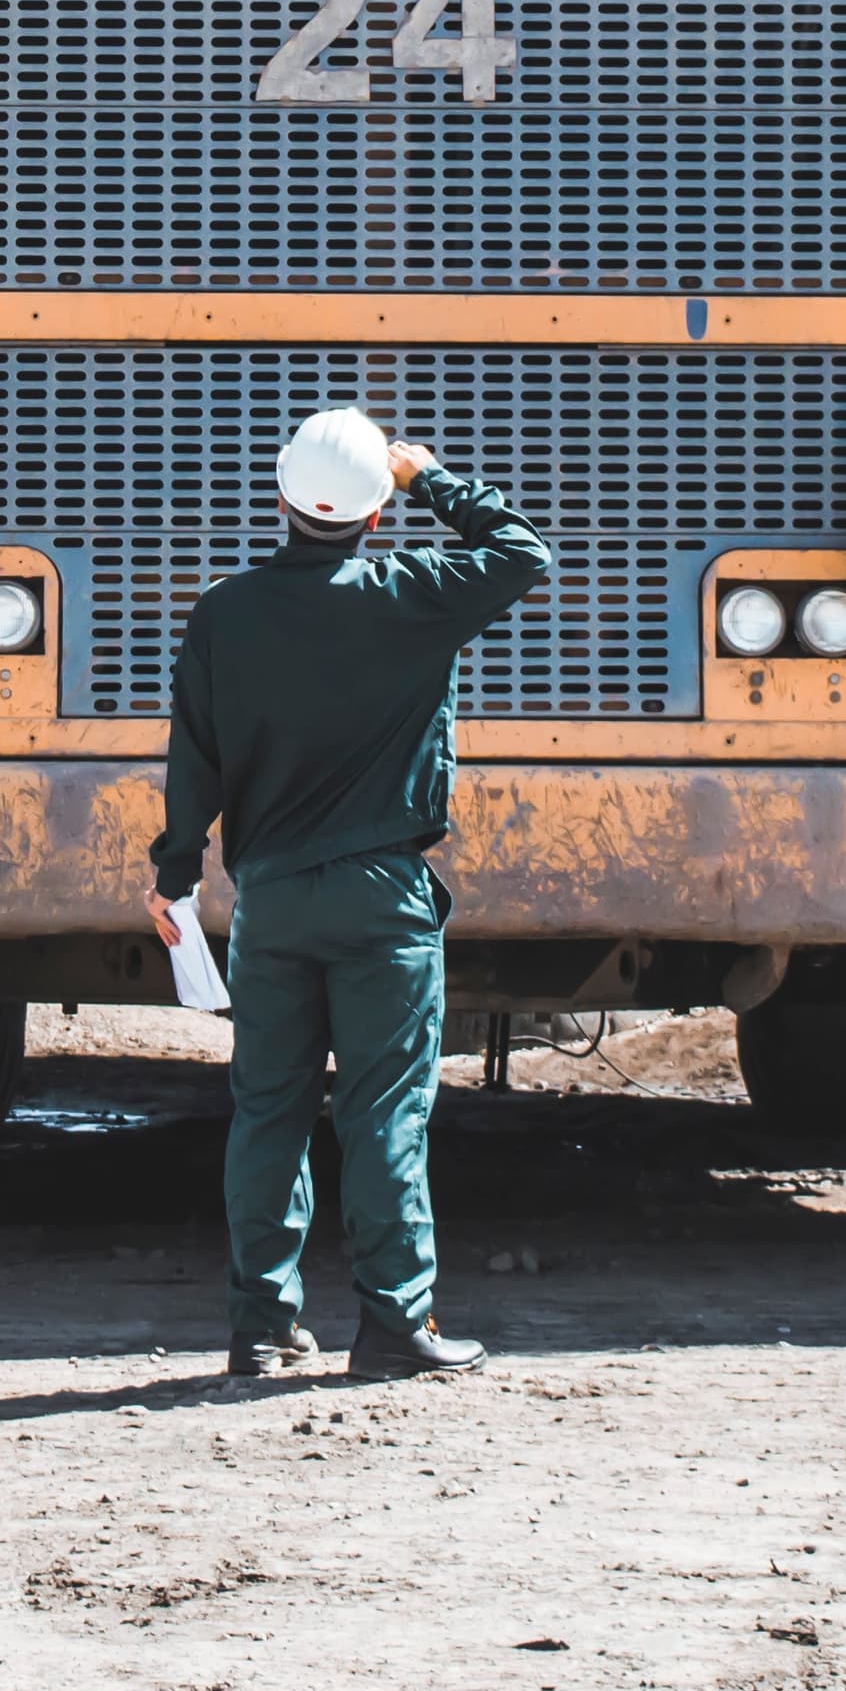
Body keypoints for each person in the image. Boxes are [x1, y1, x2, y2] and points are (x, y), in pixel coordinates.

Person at [143, 405, 551, 1382]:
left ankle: (262, 1326)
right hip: (383, 898)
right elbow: (521, 551)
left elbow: (192, 764)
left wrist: (170, 878)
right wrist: (434, 476)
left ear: (282, 497)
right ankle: (395, 1325)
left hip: (272, 900)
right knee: (382, 1113)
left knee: (268, 1110)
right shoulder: (411, 591)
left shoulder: (224, 612)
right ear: (375, 515)